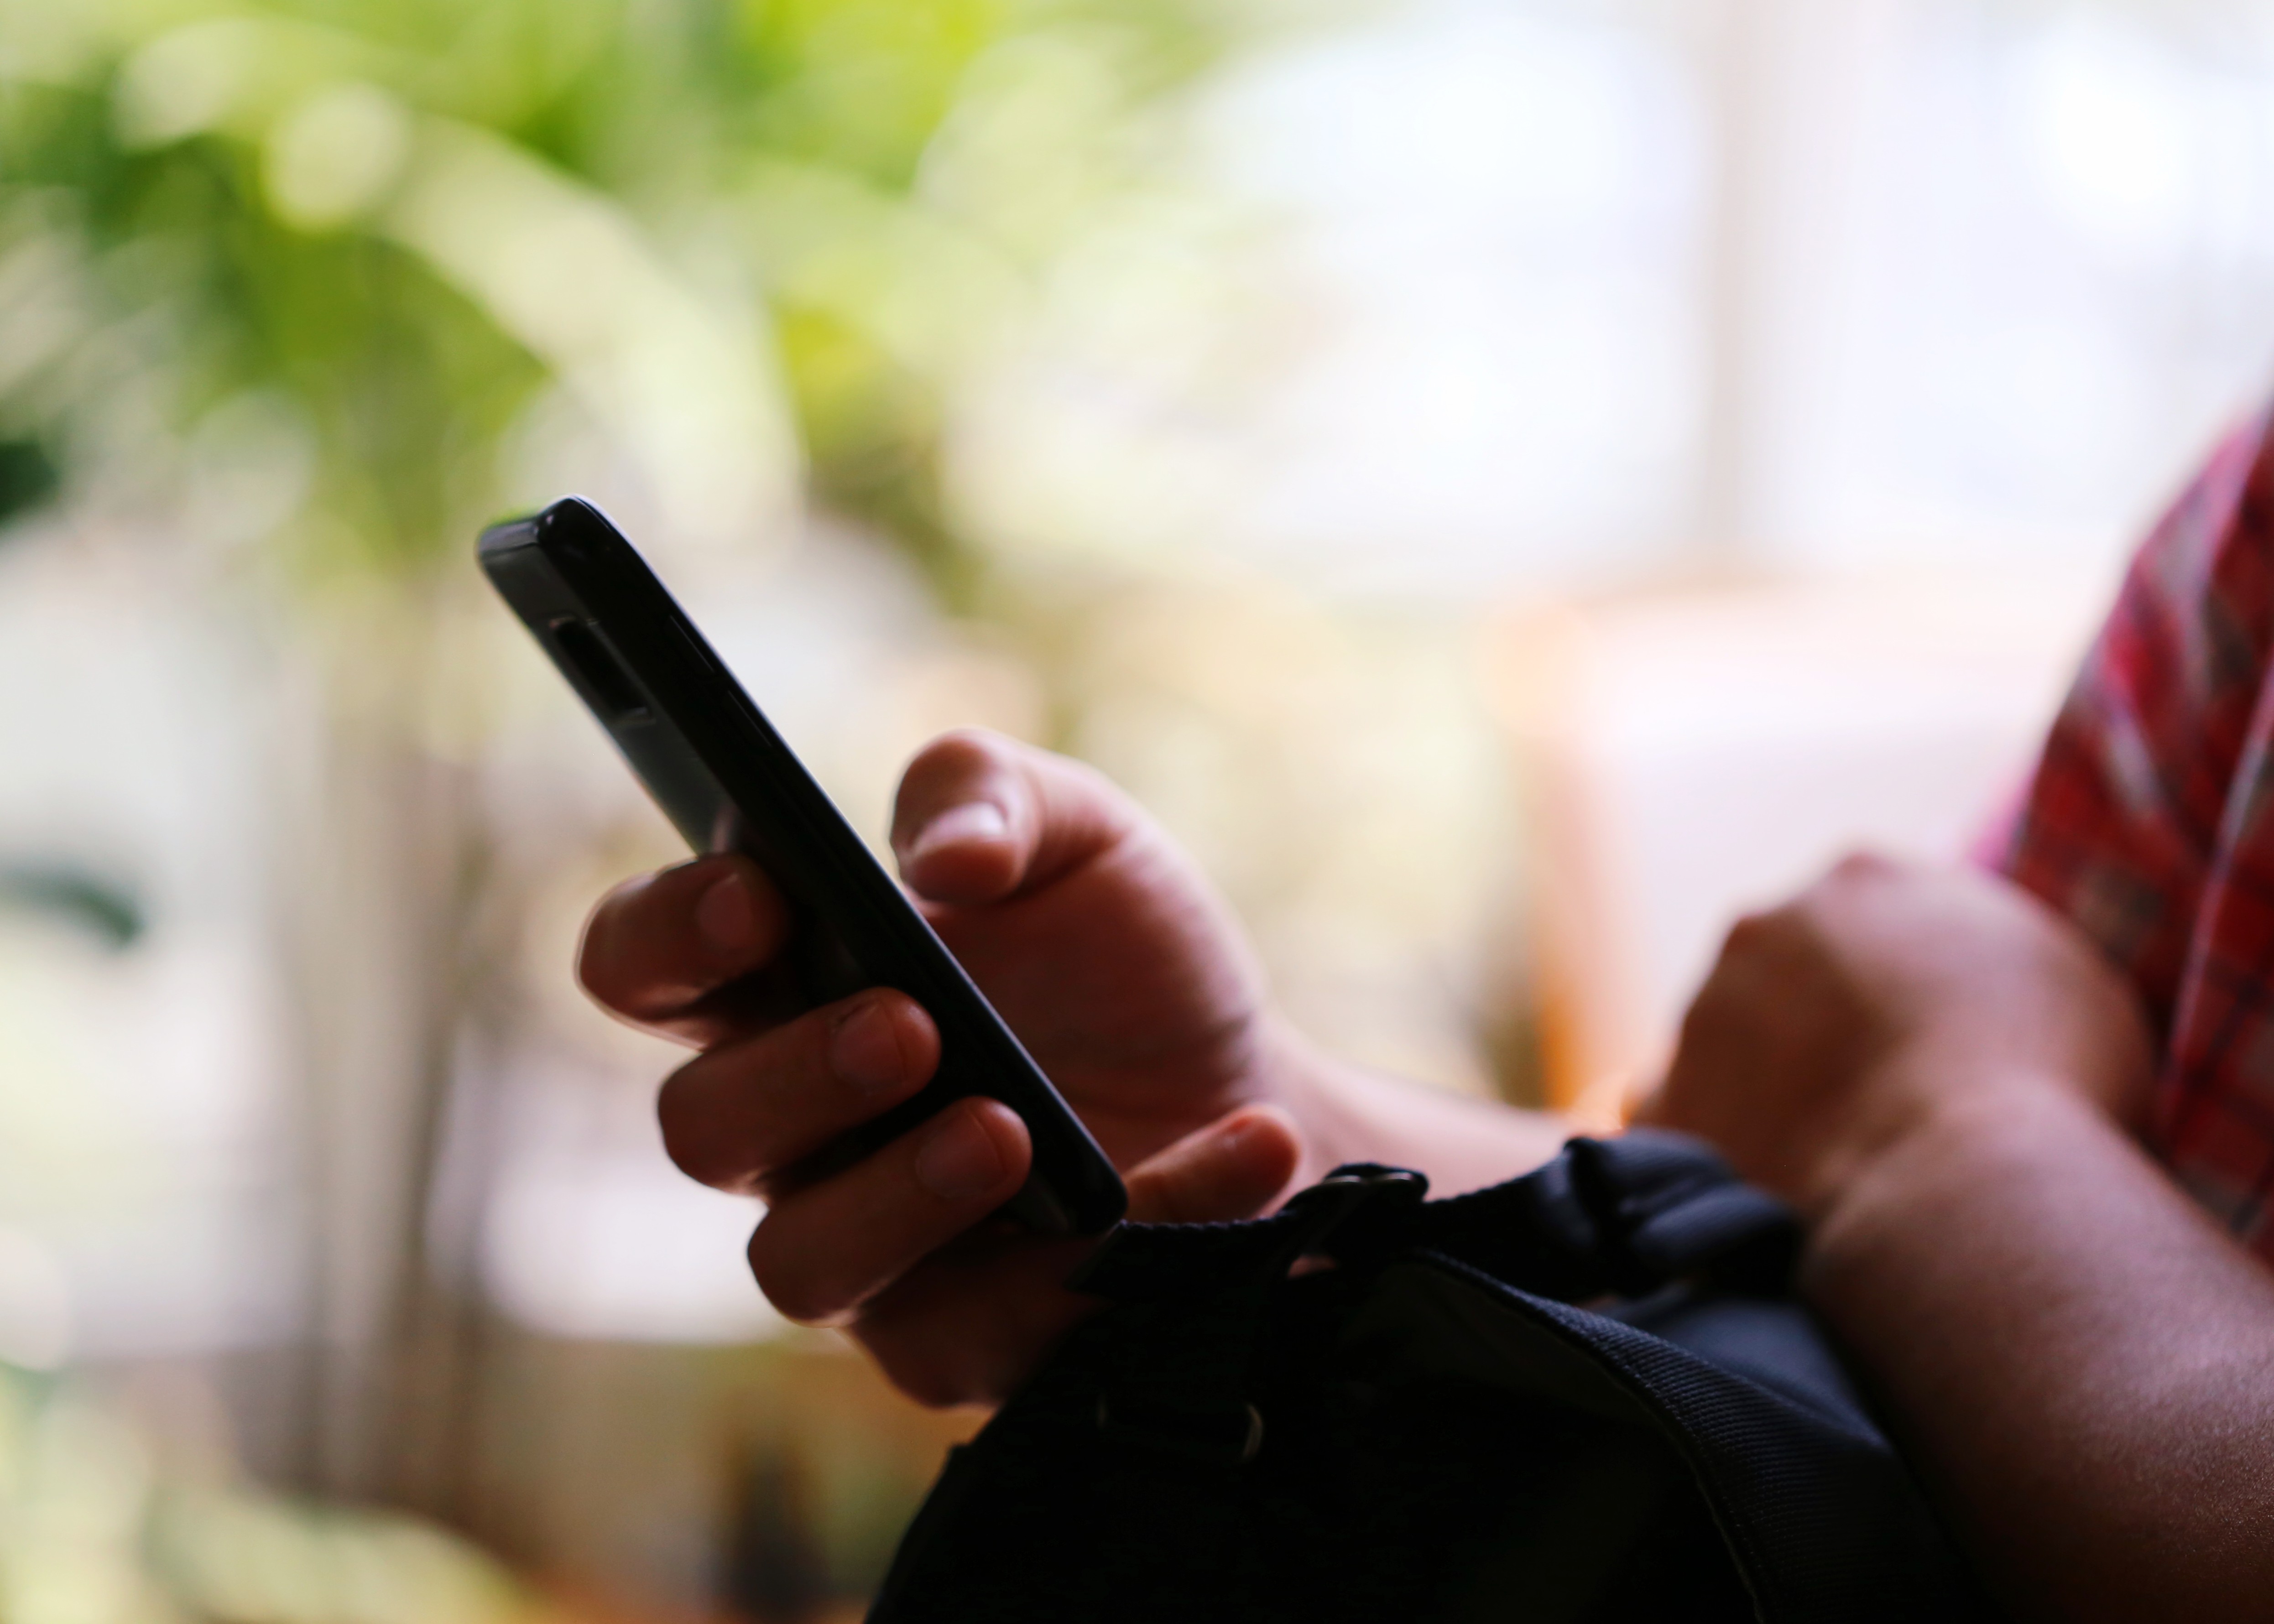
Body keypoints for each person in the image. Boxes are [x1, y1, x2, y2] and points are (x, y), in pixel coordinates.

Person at [576, 411, 2274, 1622]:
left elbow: (1955, 1185)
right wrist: (1294, 1163)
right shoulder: (2247, 529)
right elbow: (1950, 1320)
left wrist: (1945, 1128)